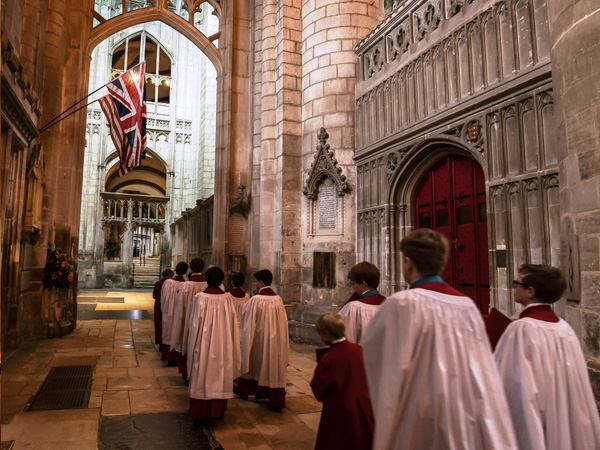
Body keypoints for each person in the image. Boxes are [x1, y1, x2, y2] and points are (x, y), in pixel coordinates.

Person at [361, 228, 517, 450]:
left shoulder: (401, 304)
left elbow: (379, 361)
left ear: (407, 263)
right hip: (464, 412)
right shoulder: (467, 305)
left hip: (421, 414)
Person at [494, 264, 600, 450]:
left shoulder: (521, 330)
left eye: (516, 283)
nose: (513, 287)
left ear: (530, 291)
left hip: (538, 417)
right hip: (563, 415)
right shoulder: (564, 328)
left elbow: (510, 387)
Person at [310, 313, 374, 450]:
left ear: (327, 334)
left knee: (337, 441)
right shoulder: (359, 349)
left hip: (340, 409)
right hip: (364, 405)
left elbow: (318, 389)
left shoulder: (330, 358)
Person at [186, 266, 240, 420]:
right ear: (222, 280)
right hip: (223, 344)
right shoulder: (228, 298)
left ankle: (201, 411)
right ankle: (218, 410)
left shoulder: (200, 298)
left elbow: (194, 325)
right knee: (220, 374)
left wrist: (192, 345)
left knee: (202, 372)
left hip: (203, 345)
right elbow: (233, 324)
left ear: (206, 279)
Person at [237, 269, 289, 412]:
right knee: (271, 366)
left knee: (256, 363)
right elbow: (283, 321)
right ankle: (268, 394)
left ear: (261, 282)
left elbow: (246, 320)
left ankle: (249, 390)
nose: (254, 284)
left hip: (259, 339)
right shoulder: (278, 299)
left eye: (255, 281)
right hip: (275, 340)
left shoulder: (256, 300)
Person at [170, 258, 207, 378]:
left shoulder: (186, 286)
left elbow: (178, 304)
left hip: (187, 319)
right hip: (204, 323)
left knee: (186, 341)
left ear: (191, 268)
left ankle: (186, 372)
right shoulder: (208, 284)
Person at [337, 262, 386, 343]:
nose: (353, 287)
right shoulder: (389, 304)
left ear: (363, 283)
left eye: (354, 283)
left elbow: (344, 339)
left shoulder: (354, 308)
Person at [160, 261, 187, 365]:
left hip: (169, 313)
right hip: (180, 314)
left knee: (169, 331)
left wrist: (165, 310)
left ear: (175, 269)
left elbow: (163, 299)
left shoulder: (168, 283)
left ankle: (170, 358)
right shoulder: (186, 285)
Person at [153, 268, 174, 350]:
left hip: (158, 305)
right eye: (172, 276)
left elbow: (154, 295)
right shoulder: (171, 284)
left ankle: (160, 342)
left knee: (159, 324)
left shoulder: (158, 283)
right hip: (168, 305)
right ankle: (165, 342)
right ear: (169, 276)